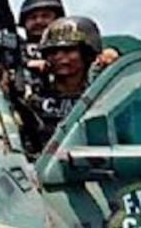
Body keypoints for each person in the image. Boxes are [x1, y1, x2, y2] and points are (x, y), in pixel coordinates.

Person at [18, 16, 101, 155]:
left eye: (68, 50)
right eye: (52, 52)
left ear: (87, 54)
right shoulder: (33, 100)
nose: (59, 57)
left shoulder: (102, 97)